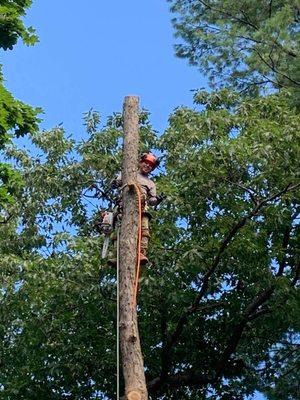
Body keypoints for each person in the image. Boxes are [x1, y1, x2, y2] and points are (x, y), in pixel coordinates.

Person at [108, 152, 159, 265]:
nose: (147, 166)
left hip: (141, 207)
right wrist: (115, 182)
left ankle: (141, 252)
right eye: (146, 163)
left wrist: (156, 200)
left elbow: (152, 200)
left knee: (144, 230)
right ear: (141, 163)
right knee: (119, 230)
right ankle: (116, 255)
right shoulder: (128, 173)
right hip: (124, 205)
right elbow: (114, 184)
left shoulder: (150, 183)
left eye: (150, 166)